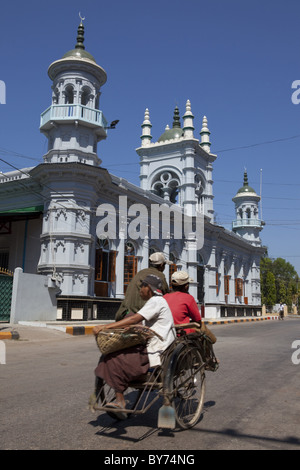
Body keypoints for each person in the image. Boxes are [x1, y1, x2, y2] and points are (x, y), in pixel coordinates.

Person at [93, 274, 175, 418]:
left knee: (114, 358)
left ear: (148, 288)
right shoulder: (154, 301)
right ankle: (120, 395)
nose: (139, 291)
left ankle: (120, 401)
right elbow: (141, 321)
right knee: (113, 355)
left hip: (157, 347)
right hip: (150, 342)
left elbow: (134, 318)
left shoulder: (156, 301)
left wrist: (106, 327)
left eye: (141, 288)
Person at [114, 252, 171, 321]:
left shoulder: (140, 272)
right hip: (140, 315)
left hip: (124, 312)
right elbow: (166, 295)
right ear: (162, 265)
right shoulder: (160, 275)